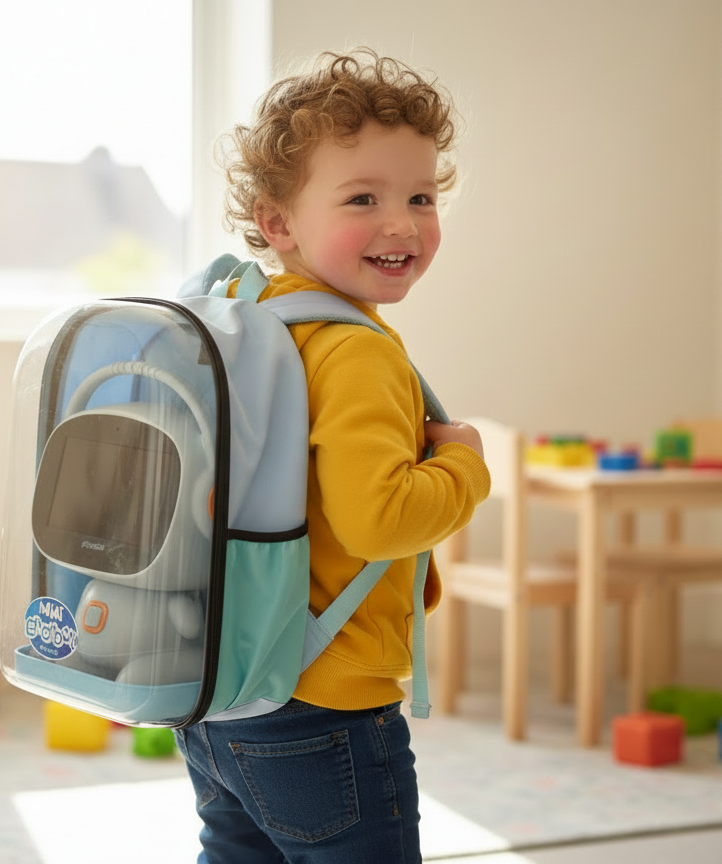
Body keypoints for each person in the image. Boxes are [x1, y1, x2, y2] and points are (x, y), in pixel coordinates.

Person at [174, 47, 491, 864]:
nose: (402, 223)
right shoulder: (356, 353)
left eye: (421, 196)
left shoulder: (247, 320)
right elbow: (378, 518)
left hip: (220, 690)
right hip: (324, 703)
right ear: (277, 221)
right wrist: (464, 467)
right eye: (363, 198)